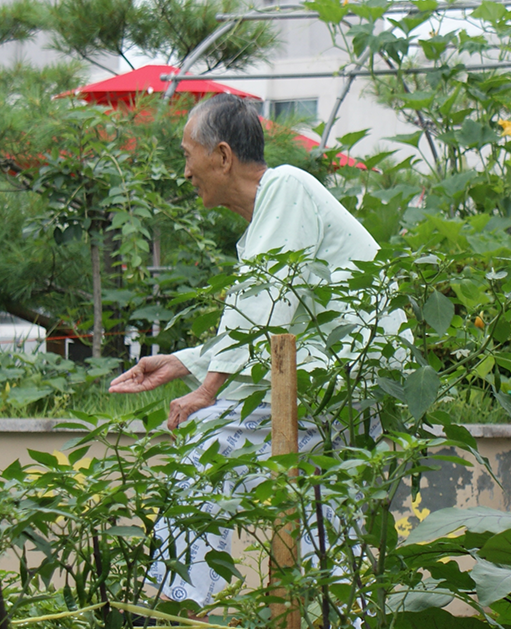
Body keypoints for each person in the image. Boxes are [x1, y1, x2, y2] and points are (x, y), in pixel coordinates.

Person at [108, 93, 403, 602]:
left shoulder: (286, 187)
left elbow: (265, 301)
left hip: (343, 376)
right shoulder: (273, 212)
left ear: (221, 156)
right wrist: (183, 363)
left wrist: (207, 390)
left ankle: (176, 619)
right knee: (322, 513)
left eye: (187, 155)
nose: (186, 171)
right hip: (351, 380)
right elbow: (267, 319)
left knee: (207, 439)